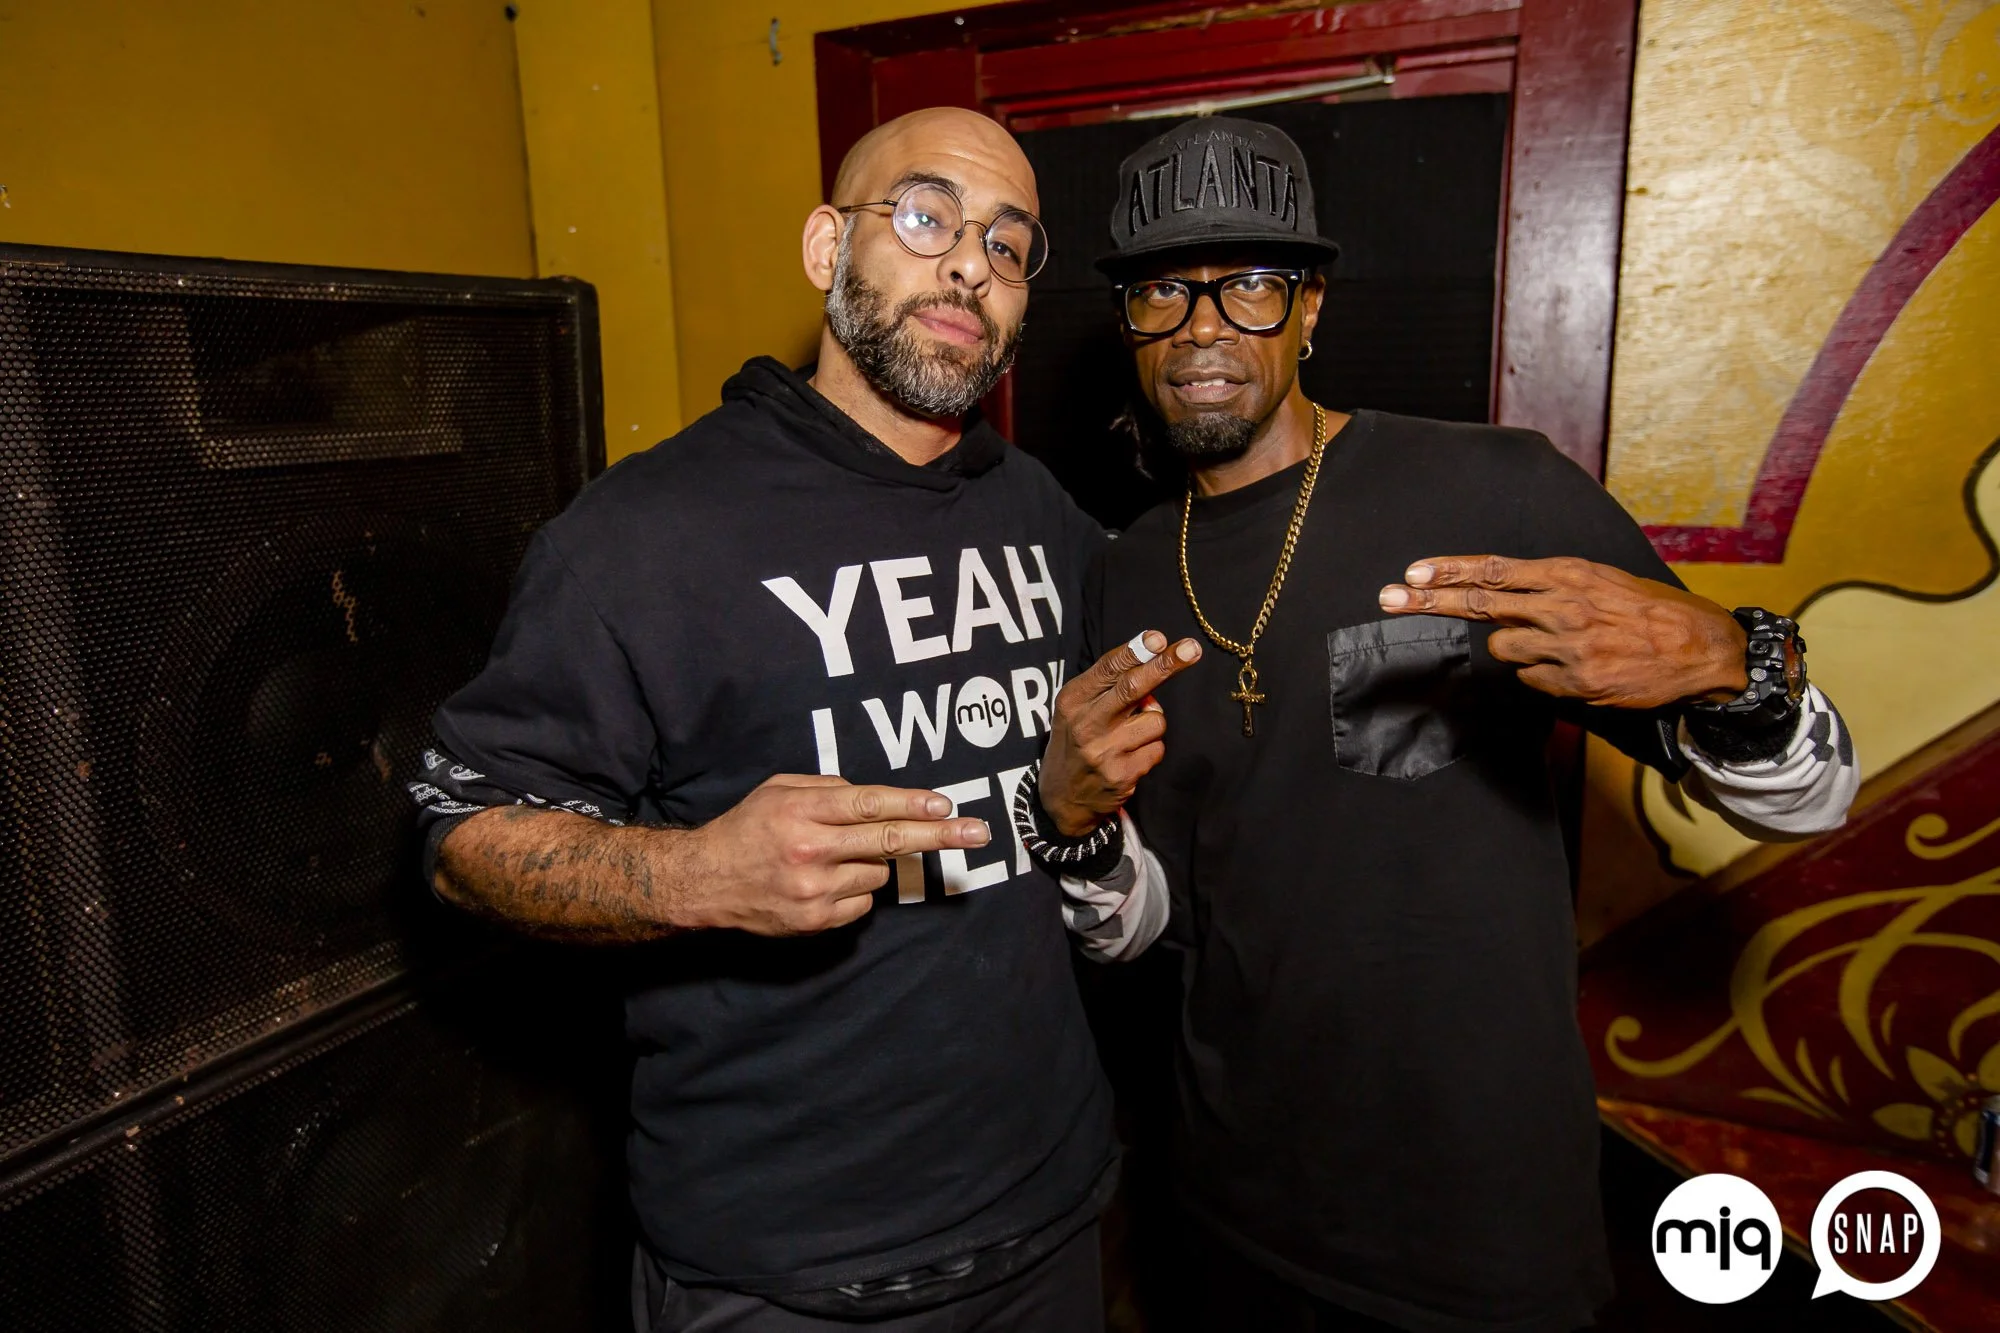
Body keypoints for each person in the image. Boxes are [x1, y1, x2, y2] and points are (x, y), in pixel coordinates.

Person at [1021, 117, 1860, 1332]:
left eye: (1248, 284)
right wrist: (1075, 830)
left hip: (1476, 1218)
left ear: (1310, 307)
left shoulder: (1495, 490)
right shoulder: (1127, 571)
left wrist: (1738, 666)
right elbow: (1150, 921)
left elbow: (1810, 800)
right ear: (1127, 323)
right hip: (1227, 1200)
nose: (1202, 327)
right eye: (1163, 291)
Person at [408, 108, 1117, 1333]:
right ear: (825, 247)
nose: (968, 262)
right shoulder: (641, 536)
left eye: (1007, 244)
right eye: (926, 216)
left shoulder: (1038, 509)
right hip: (787, 1272)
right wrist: (696, 875)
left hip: (1048, 1213)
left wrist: (1066, 801)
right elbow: (462, 838)